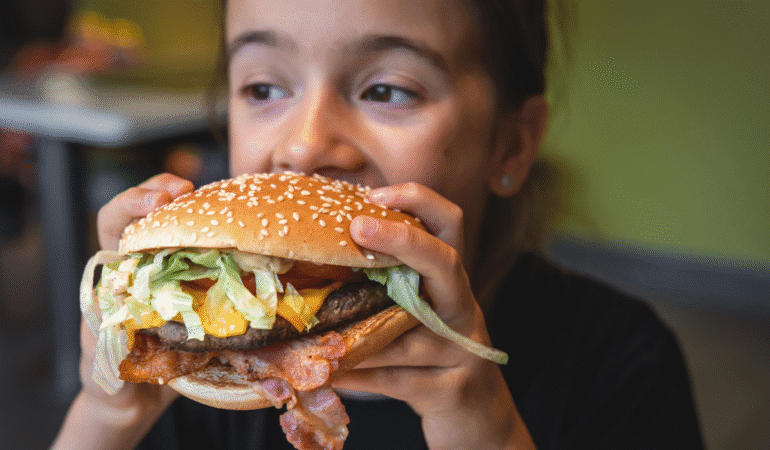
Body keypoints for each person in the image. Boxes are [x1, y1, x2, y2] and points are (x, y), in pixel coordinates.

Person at [52, 0, 704, 449]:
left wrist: (489, 432)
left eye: (386, 90)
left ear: (511, 145)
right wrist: (107, 413)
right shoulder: (197, 377)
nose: (304, 146)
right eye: (262, 89)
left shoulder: (624, 363)